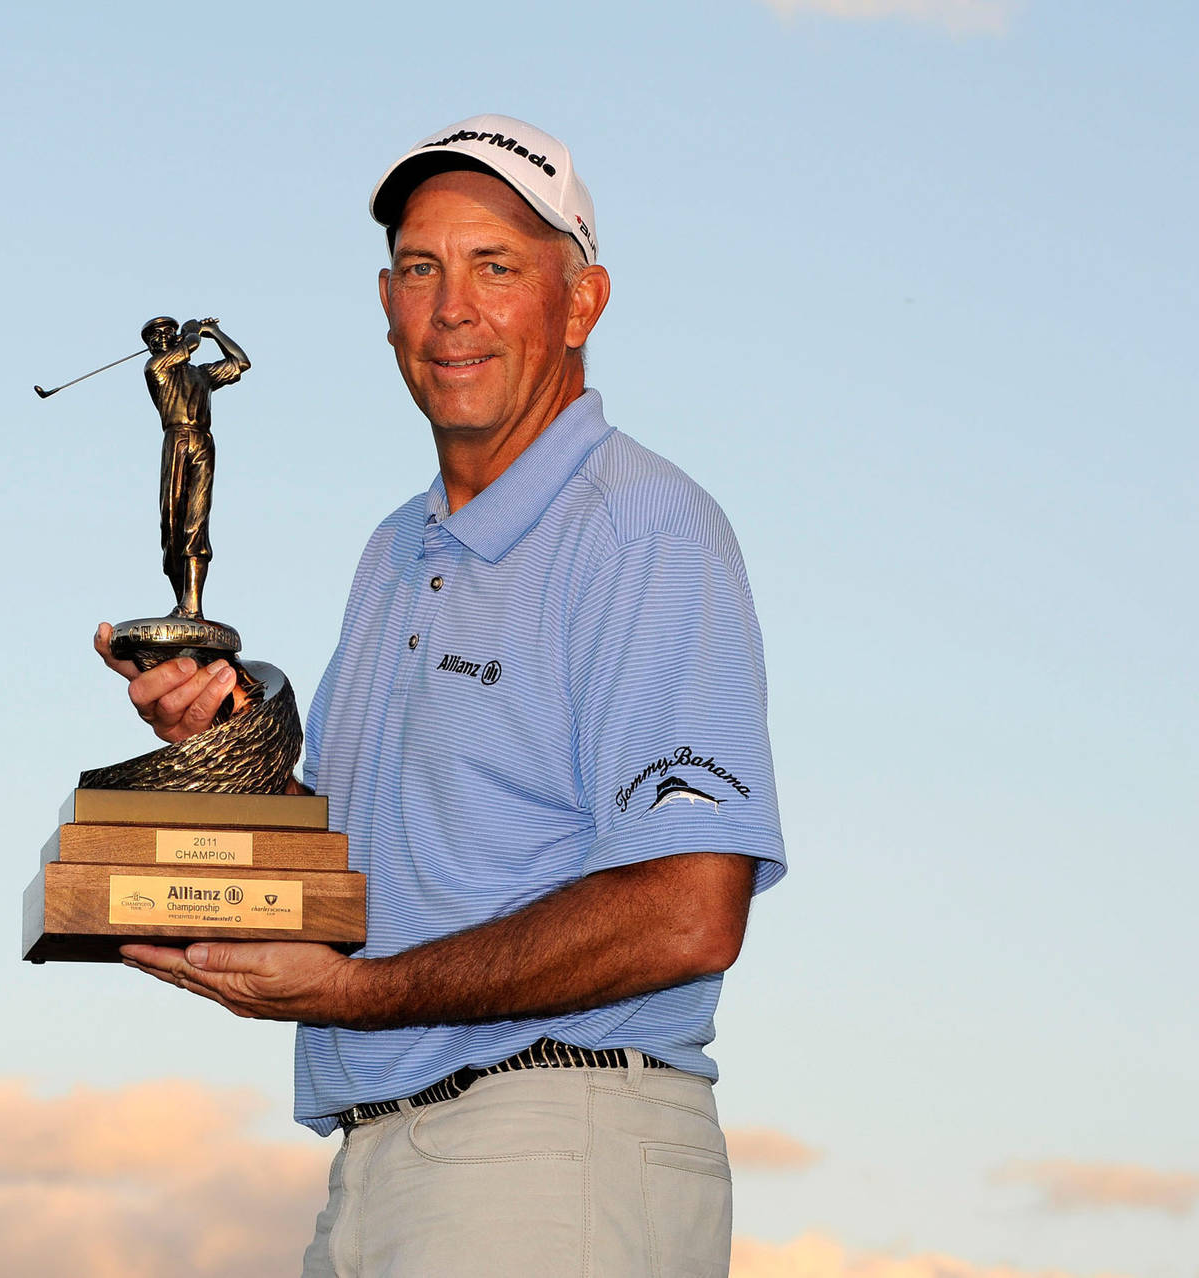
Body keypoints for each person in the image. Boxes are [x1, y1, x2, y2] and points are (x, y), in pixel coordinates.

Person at [94, 114, 786, 1277]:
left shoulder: (643, 528)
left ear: (583, 303)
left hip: (554, 1149)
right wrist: (228, 748)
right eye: (422, 267)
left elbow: (689, 908)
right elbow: (378, 871)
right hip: (382, 1165)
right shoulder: (394, 550)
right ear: (384, 303)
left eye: (497, 266)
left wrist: (356, 995)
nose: (451, 306)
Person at [141, 314, 251, 619]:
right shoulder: (156, 368)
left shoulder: (201, 375)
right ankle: (181, 600)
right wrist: (193, 330)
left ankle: (193, 605)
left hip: (202, 442)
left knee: (195, 522)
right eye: (155, 337)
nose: (161, 338)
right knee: (172, 525)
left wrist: (215, 332)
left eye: (167, 333)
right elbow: (189, 346)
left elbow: (240, 362)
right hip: (175, 440)